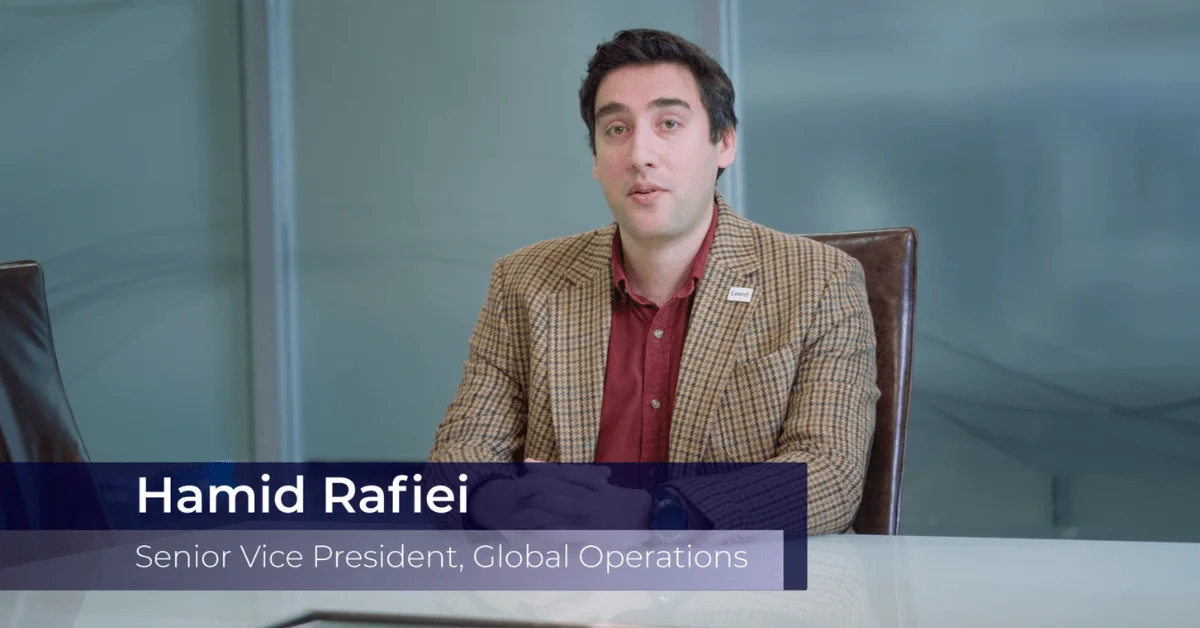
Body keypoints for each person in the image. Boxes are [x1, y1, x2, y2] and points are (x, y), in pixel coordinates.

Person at [428, 28, 879, 536]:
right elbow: (460, 454)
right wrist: (504, 504)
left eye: (668, 123)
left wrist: (656, 516)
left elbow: (829, 475)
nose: (640, 154)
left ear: (724, 142)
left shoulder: (819, 281)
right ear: (597, 160)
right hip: (557, 592)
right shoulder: (525, 281)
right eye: (616, 129)